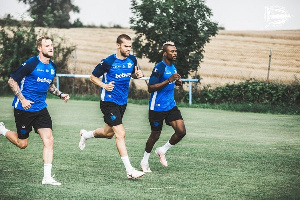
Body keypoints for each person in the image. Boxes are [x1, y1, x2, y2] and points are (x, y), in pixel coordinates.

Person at [0, 36, 70, 186]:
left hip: (40, 109)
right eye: (47, 45)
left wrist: (60, 94)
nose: (51, 48)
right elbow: (12, 80)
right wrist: (23, 99)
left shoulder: (52, 67)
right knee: (22, 143)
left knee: (49, 140)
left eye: (52, 45)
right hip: (23, 109)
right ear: (40, 48)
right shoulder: (31, 63)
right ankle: (2, 129)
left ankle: (47, 178)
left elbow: (49, 85)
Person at [78, 34, 145, 179]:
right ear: (118, 45)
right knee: (120, 133)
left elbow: (132, 73)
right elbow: (92, 77)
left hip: (122, 102)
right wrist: (104, 85)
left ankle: (85, 135)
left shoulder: (132, 59)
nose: (129, 49)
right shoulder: (108, 62)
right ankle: (130, 171)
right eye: (126, 46)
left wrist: (137, 74)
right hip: (108, 102)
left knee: (108, 134)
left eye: (130, 46)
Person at [140, 41, 186, 173]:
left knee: (181, 131)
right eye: (172, 51)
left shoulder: (173, 67)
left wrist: (177, 82)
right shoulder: (159, 68)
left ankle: (162, 150)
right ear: (165, 53)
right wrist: (168, 80)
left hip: (170, 105)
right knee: (155, 135)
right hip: (157, 107)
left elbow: (172, 83)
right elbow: (150, 88)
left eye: (175, 51)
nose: (175, 53)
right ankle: (144, 161)